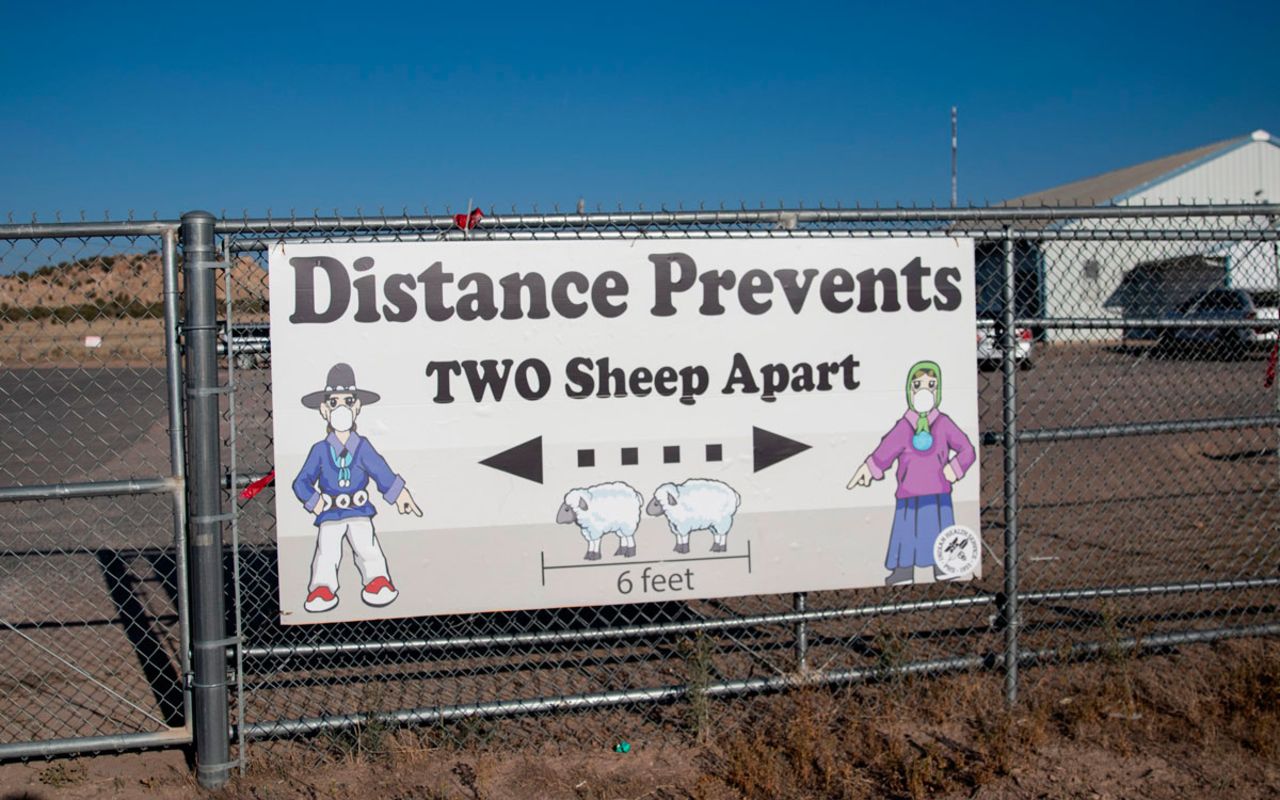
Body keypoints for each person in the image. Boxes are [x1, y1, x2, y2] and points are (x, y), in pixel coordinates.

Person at [292, 363, 422, 613]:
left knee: (368, 547)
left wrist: (399, 494)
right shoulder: (320, 450)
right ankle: (321, 588)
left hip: (360, 509)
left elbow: (380, 470)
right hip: (329, 512)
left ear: (357, 406)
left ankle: (377, 581)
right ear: (323, 409)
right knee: (327, 552)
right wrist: (314, 501)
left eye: (348, 401)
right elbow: (301, 481)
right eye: (333, 402)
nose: (341, 408)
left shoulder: (362, 447)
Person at [847, 360, 975, 585]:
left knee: (940, 530)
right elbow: (885, 450)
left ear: (938, 390)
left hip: (938, 493)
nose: (924, 391)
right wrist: (869, 468)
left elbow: (967, 449)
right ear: (910, 390)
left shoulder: (943, 423)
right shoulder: (905, 426)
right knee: (906, 535)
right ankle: (903, 570)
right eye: (917, 385)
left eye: (931, 385)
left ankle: (944, 567)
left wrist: (955, 468)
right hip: (908, 493)